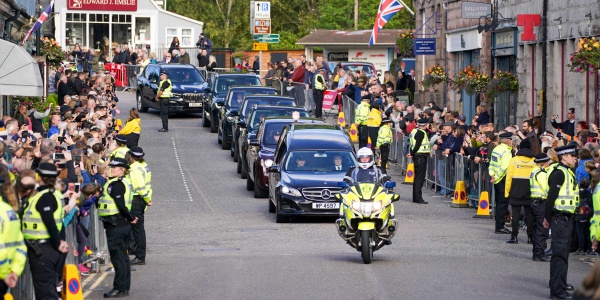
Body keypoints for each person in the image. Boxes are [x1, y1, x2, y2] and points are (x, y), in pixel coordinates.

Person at [23, 163, 70, 299]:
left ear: (40, 178)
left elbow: (49, 221)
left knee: (45, 293)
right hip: (46, 248)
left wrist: (57, 243)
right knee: (48, 289)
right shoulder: (53, 194)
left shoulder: (45, 197)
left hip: (43, 249)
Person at [98, 158, 137, 298]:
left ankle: (120, 289)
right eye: (112, 166)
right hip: (121, 224)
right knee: (123, 257)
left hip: (116, 226)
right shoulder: (120, 183)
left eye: (115, 167)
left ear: (122, 170)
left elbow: (121, 205)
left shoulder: (117, 184)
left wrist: (131, 217)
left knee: (118, 258)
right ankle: (124, 287)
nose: (112, 168)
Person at [544, 144, 578, 299]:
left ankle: (559, 284)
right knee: (559, 255)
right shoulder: (559, 173)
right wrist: (547, 218)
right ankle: (557, 291)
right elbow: (551, 198)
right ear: (564, 157)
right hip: (560, 218)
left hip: (566, 218)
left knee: (563, 254)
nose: (575, 158)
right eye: (572, 156)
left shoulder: (566, 171)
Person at [504, 139, 536, 244]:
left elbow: (509, 177)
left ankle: (514, 236)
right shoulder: (534, 161)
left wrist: (507, 192)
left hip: (516, 189)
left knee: (515, 214)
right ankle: (530, 237)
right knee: (529, 214)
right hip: (530, 190)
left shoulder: (514, 160)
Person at [0, 178, 27, 295]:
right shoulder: (10, 212)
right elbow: (20, 246)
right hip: (7, 275)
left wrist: (4, 273)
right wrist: (15, 271)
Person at [127, 147, 152, 266]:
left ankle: (140, 256)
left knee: (137, 230)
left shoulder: (134, 168)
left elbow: (140, 187)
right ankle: (138, 253)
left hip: (137, 199)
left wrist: (147, 198)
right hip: (141, 200)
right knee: (139, 229)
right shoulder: (143, 165)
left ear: (132, 157)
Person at [489, 132, 514, 234]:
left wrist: (492, 175)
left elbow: (492, 164)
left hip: (496, 178)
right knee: (502, 204)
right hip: (502, 179)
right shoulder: (506, 151)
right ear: (508, 140)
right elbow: (505, 167)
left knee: (499, 203)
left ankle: (499, 225)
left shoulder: (496, 149)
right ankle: (500, 226)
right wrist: (497, 176)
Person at [530, 153, 553, 262]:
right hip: (541, 202)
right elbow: (546, 189)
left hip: (535, 202)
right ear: (544, 163)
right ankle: (539, 253)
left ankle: (537, 252)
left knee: (537, 228)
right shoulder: (542, 173)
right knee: (542, 228)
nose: (550, 163)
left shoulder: (535, 170)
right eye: (548, 161)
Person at [407, 118, 430, 204]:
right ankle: (418, 198)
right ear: (425, 125)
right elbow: (417, 145)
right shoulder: (421, 133)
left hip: (418, 156)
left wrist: (411, 153)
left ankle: (416, 197)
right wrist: (412, 153)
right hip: (420, 156)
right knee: (419, 178)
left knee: (417, 178)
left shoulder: (414, 131)